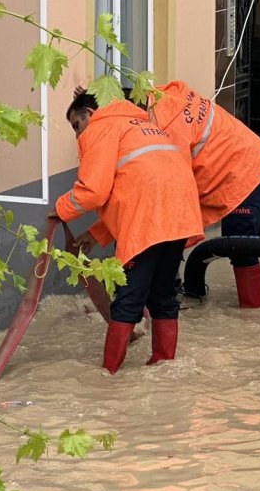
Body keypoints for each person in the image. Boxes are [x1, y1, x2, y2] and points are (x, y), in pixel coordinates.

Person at [54, 91, 204, 374]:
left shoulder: (99, 128)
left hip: (151, 218)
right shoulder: (142, 124)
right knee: (163, 293)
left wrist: (59, 209)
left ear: (89, 112)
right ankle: (164, 364)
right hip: (179, 214)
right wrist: (96, 234)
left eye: (76, 125)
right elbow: (134, 186)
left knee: (129, 297)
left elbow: (94, 193)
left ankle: (109, 375)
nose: (77, 136)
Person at [148, 80, 260, 308]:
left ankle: (252, 316)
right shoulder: (172, 98)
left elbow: (178, 185)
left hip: (240, 177)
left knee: (240, 246)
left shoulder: (167, 129)